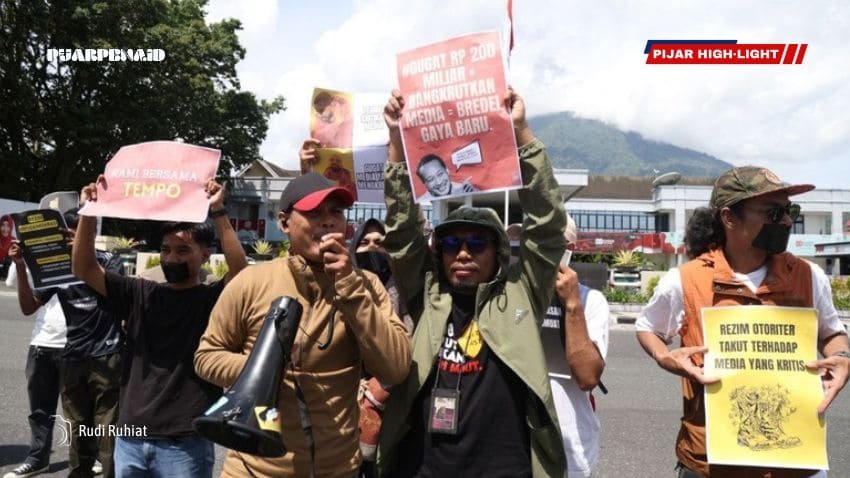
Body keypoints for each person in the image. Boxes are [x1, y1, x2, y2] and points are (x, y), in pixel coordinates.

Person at [376, 87, 568, 476]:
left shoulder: (521, 293)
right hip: (423, 468)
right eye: (451, 243)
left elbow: (547, 226)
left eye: (477, 243)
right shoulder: (427, 294)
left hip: (505, 469)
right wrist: (396, 139)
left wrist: (521, 132)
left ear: (498, 252)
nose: (463, 253)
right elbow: (401, 233)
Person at [635, 166, 850, 477]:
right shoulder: (685, 280)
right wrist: (664, 357)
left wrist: (842, 357)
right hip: (710, 463)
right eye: (773, 212)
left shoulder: (808, 275)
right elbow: (648, 327)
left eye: (789, 211)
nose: (787, 221)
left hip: (797, 464)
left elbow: (832, 332)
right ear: (729, 218)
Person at [194, 172, 411, 477]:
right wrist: (266, 365)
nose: (328, 222)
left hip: (337, 469)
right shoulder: (251, 282)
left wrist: (349, 286)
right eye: (314, 213)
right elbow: (206, 357)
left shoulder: (367, 285)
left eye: (336, 212)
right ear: (284, 223)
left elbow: (395, 368)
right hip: (253, 469)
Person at [72, 177, 248, 478]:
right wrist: (88, 212)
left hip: (185, 442)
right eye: (166, 249)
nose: (171, 258)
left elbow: (241, 273)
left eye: (183, 250)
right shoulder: (139, 293)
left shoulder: (211, 300)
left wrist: (218, 211)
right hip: (131, 436)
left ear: (206, 254)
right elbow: (84, 268)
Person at [9, 207, 124, 478]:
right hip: (73, 356)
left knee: (107, 431)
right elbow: (28, 307)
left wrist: (82, 257)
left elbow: (114, 291)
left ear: (90, 234)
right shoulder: (58, 267)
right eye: (68, 236)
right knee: (78, 431)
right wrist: (21, 266)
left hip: (107, 355)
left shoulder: (110, 261)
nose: (72, 241)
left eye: (78, 235)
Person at [540, 214, 610, 478]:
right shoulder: (513, 294)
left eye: (544, 241)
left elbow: (588, 376)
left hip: (569, 449)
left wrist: (571, 303)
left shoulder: (590, 301)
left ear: (567, 249)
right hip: (514, 445)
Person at [4, 245, 67, 478]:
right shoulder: (40, 255)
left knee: (81, 409)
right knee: (40, 409)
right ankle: (38, 458)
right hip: (43, 341)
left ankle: (90, 456)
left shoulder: (94, 260)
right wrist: (20, 264)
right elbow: (27, 304)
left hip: (78, 344)